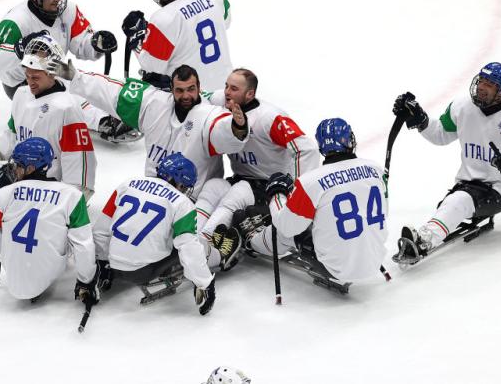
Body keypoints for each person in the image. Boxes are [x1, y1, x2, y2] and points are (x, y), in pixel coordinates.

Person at [51, 60, 248, 269]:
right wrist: (76, 76)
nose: (186, 96)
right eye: (180, 90)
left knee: (213, 197)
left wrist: (237, 127)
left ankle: (212, 248)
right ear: (171, 90)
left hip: (188, 200)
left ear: (199, 88)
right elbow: (112, 91)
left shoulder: (210, 116)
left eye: (191, 89)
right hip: (154, 196)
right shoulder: (153, 104)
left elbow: (225, 132)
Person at [392, 62, 501, 256]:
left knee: (458, 202)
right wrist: (422, 121)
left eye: (489, 83)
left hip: (499, 191)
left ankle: (423, 242)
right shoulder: (461, 106)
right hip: (466, 184)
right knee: (453, 203)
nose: (481, 86)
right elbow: (440, 134)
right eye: (481, 80)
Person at [0, 0, 136, 142]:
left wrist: (96, 44)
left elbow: (81, 43)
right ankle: (103, 121)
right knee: (66, 95)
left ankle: (113, 110)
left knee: (82, 79)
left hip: (54, 68)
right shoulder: (17, 20)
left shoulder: (69, 10)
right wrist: (19, 48)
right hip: (23, 80)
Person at [198, 69, 320, 270]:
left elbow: (307, 149)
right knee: (213, 186)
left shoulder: (270, 118)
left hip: (269, 188)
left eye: (234, 88)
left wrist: (298, 195)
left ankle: (204, 245)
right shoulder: (223, 100)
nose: (227, 92)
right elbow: (199, 96)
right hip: (241, 179)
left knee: (235, 195)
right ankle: (190, 237)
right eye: (227, 85)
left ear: (250, 94)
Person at [249, 118, 389, 283]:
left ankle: (251, 241)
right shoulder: (376, 169)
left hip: (337, 268)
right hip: (375, 259)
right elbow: (383, 211)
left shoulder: (311, 182)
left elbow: (286, 227)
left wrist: (277, 194)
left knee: (285, 230)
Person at [0, 137, 99, 307]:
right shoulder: (72, 196)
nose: (14, 170)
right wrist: (86, 281)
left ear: (31, 168)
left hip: (13, 278)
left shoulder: (2, 195)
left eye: (18, 165)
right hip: (53, 271)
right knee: (76, 233)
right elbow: (83, 246)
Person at [92, 153, 216, 315]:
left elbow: (100, 230)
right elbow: (188, 248)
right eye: (184, 186)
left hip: (112, 264)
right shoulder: (182, 203)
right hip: (142, 272)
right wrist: (205, 283)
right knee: (193, 241)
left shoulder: (127, 184)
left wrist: (101, 263)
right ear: (178, 181)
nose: (184, 190)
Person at [0, 34, 97, 199]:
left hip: (50, 192)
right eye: (27, 76)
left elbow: (79, 160)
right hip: (19, 181)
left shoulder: (67, 108)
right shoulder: (21, 95)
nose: (30, 83)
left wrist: (72, 201)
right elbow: (11, 136)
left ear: (52, 73)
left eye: (36, 77)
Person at [122, 0, 233, 91]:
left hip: (193, 99)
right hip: (227, 90)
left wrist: (138, 38)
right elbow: (225, 23)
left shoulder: (164, 18)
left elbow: (151, 67)